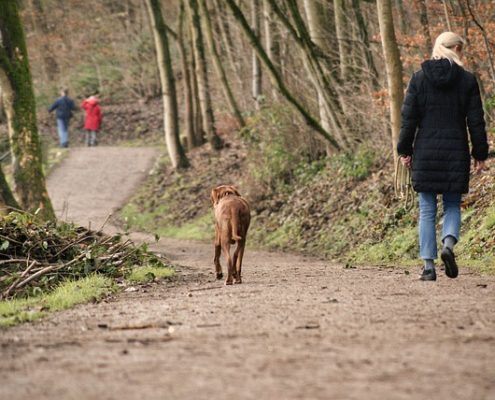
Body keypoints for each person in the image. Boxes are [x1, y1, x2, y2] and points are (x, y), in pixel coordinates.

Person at [397, 32, 489, 281]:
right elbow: (476, 121)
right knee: (451, 204)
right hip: (455, 151)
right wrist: (480, 153)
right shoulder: (467, 80)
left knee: (426, 210)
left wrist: (404, 150)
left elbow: (409, 120)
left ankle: (428, 267)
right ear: (457, 48)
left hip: (426, 151)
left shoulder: (418, 79)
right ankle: (448, 245)